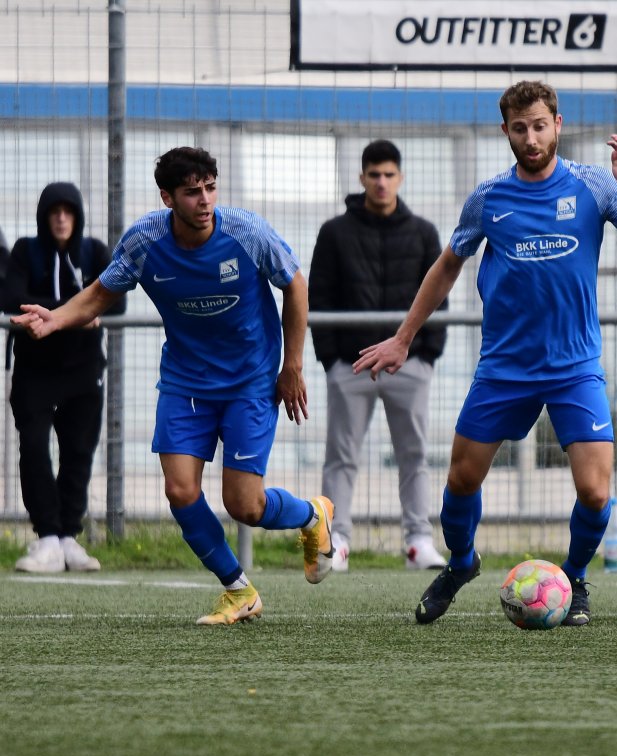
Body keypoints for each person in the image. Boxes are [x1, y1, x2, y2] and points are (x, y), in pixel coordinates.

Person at [355, 80, 617, 627]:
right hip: (504, 367)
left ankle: (573, 578)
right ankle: (460, 564)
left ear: (558, 124)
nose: (531, 138)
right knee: (460, 480)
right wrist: (403, 337)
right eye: (519, 128)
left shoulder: (595, 187)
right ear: (506, 131)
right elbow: (448, 263)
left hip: (575, 367)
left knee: (596, 492)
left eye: (540, 126)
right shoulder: (489, 198)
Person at [10, 147, 335, 624]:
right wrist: (55, 318)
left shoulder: (246, 231)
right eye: (191, 192)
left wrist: (293, 365)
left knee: (244, 505)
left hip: (250, 380)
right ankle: (238, 589)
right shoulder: (144, 241)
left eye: (210, 188)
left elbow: (296, 284)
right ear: (167, 197)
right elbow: (101, 293)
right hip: (186, 382)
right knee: (180, 491)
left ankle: (312, 516)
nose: (204, 200)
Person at [309, 139, 447, 573]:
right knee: (342, 455)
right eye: (374, 175)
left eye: (389, 175)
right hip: (350, 365)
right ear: (362, 178)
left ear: (400, 178)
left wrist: (426, 355)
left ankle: (419, 541)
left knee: (414, 454)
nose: (382, 182)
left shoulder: (423, 232)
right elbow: (319, 295)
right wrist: (330, 360)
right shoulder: (335, 232)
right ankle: (338, 540)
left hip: (409, 366)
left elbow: (440, 294)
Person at [2, 183, 125, 573]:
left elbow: (115, 299)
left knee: (78, 452)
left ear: (77, 216)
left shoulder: (95, 253)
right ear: (44, 216)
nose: (61, 218)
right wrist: (80, 312)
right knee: (35, 449)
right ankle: (48, 538)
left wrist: (51, 313)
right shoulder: (26, 251)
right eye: (54, 211)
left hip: (84, 372)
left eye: (68, 211)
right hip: (35, 373)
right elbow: (11, 300)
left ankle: (70, 535)